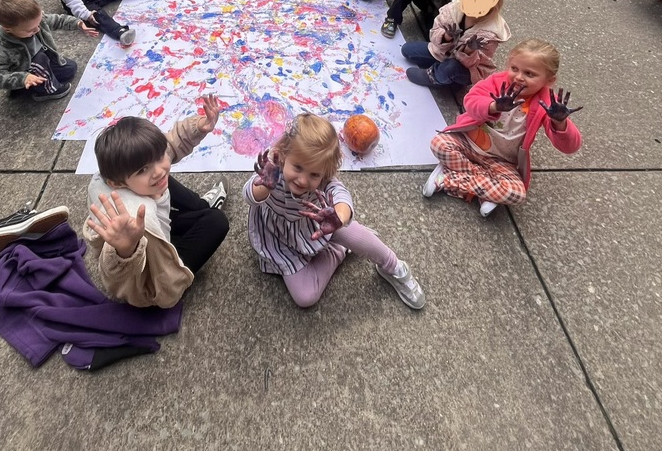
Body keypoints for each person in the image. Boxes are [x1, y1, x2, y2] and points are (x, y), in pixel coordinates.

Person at [243, 112, 424, 310]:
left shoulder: (325, 181)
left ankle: (394, 266)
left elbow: (341, 196)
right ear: (285, 155)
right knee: (305, 297)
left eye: (314, 174)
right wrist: (265, 187)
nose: (302, 180)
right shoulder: (272, 170)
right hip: (280, 238)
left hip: (320, 224)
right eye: (297, 167)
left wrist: (339, 218)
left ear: (325, 172)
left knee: (354, 233)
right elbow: (249, 195)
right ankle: (338, 250)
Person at [83, 95, 229, 308]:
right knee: (217, 221)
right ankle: (201, 220)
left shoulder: (126, 174)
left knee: (162, 180)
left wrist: (199, 127)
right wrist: (125, 250)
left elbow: (169, 145)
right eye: (142, 169)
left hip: (157, 227)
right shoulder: (126, 220)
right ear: (117, 183)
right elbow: (112, 276)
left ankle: (202, 207)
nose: (158, 170)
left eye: (159, 157)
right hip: (155, 279)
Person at [423, 38, 583, 217]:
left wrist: (560, 122)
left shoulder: (548, 104)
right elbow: (470, 102)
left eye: (529, 74)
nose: (519, 77)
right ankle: (486, 187)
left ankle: (449, 178)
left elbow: (570, 147)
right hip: (469, 143)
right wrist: (494, 106)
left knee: (517, 193)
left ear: (549, 80)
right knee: (439, 144)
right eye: (514, 68)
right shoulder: (497, 81)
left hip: (501, 159)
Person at [402, 0, 510, 89]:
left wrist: (469, 50)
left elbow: (473, 64)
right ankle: (444, 76)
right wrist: (446, 36)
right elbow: (435, 32)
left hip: (465, 69)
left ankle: (434, 77)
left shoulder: (491, 33)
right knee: (407, 50)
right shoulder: (455, 7)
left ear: (495, 2)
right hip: (443, 53)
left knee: (451, 67)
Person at [0, 0, 98, 102]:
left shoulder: (35, 22)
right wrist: (23, 78)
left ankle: (39, 81)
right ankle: (46, 90)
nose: (38, 29)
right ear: (7, 29)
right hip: (27, 70)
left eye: (39, 24)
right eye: (30, 30)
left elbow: (57, 20)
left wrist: (77, 23)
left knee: (70, 69)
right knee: (40, 58)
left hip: (43, 61)